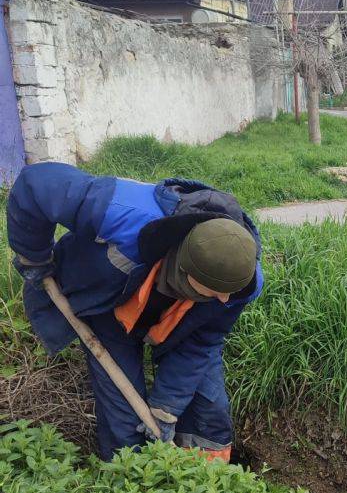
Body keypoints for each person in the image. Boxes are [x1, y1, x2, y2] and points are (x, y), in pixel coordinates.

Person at [6, 162, 263, 462]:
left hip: (176, 322)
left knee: (208, 412)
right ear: (185, 268)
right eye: (214, 290)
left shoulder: (240, 282)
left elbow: (201, 342)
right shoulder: (121, 211)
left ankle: (208, 479)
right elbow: (36, 182)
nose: (225, 298)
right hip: (110, 308)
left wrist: (166, 408)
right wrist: (34, 255)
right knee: (125, 418)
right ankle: (128, 476)